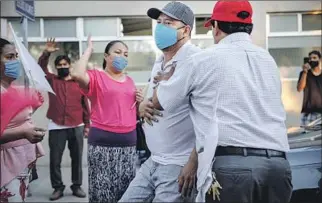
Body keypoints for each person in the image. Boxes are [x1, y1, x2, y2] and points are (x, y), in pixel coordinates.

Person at [151, 1, 292, 203]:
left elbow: (161, 101)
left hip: (233, 168)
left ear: (216, 27)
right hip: (278, 167)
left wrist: (166, 80)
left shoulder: (204, 59)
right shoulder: (267, 59)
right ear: (248, 27)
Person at [120, 1, 200, 202]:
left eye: (169, 23)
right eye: (159, 22)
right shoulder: (161, 60)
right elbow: (150, 99)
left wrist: (193, 161)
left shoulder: (193, 59)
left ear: (185, 30)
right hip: (154, 159)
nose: (161, 28)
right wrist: (141, 106)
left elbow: (207, 116)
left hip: (177, 164)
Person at [70, 37, 143, 203]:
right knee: (102, 193)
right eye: (117, 53)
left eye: (125, 54)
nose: (122, 57)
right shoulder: (97, 77)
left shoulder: (130, 81)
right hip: (102, 145)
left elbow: (132, 112)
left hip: (128, 145)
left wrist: (140, 101)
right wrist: (88, 49)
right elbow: (76, 73)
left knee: (125, 194)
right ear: (106, 56)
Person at [37, 38, 90, 201]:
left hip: (77, 124)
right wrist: (46, 53)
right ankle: (58, 188)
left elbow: (85, 105)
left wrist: (87, 125)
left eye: (65, 64)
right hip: (56, 125)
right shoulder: (52, 80)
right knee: (55, 160)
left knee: (77, 158)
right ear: (56, 67)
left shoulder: (78, 83)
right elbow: (41, 67)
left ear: (69, 66)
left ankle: (76, 186)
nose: (62, 67)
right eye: (59, 65)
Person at [0, 37, 46, 202]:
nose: (15, 61)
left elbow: (10, 120)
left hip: (22, 161)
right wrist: (24, 132)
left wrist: (33, 107)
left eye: (16, 56)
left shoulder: (13, 89)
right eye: (9, 57)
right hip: (6, 165)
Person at [297, 50, 322, 126]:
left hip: (321, 112)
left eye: (314, 58)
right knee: (306, 135)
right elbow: (299, 88)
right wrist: (305, 72)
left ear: (320, 59)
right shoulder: (304, 73)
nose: (312, 60)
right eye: (310, 58)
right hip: (308, 112)